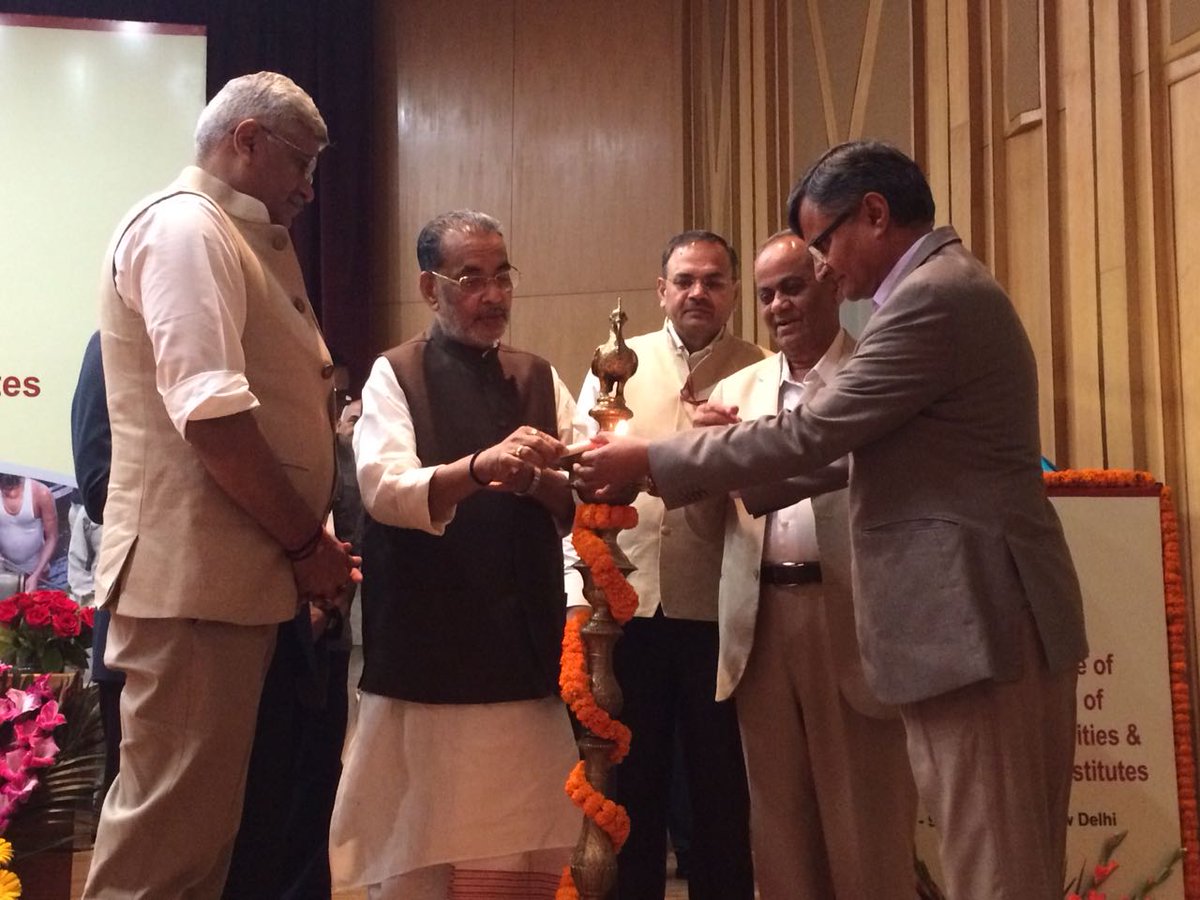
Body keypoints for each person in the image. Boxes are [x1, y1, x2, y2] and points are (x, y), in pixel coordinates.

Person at [575, 141, 1087, 900]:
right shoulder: (940, 290)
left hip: (981, 624)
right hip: (972, 625)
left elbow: (812, 433)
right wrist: (709, 472)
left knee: (999, 874)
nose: (823, 267)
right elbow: (852, 459)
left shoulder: (932, 298)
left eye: (823, 244)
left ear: (874, 214)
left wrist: (654, 461)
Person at [82, 71, 358, 899]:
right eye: (300, 164)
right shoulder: (186, 229)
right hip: (189, 589)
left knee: (200, 849)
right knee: (161, 853)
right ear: (246, 140)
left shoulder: (221, 232)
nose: (309, 190)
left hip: (225, 589)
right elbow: (211, 418)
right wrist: (307, 542)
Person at [329, 210, 579, 900]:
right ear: (428, 286)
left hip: (521, 648)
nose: (493, 295)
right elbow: (383, 488)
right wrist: (482, 468)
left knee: (527, 841)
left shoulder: (537, 377)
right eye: (471, 278)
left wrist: (543, 480)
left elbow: (592, 492)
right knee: (423, 847)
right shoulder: (394, 373)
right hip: (427, 649)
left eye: (503, 277)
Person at [691, 231, 916, 898]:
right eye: (765, 295)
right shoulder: (735, 391)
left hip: (852, 617)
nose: (779, 305)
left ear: (831, 284)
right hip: (758, 627)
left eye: (792, 287)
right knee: (779, 835)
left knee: (865, 831)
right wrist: (706, 463)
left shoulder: (875, 372)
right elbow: (709, 531)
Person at [570, 230, 761, 899]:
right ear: (660, 291)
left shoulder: (760, 371)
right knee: (633, 787)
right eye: (684, 281)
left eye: (713, 281)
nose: (697, 293)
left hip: (721, 612)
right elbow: (581, 470)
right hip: (629, 611)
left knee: (721, 796)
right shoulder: (616, 362)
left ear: (735, 292)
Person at [223, 366, 361, 900]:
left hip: (323, 641)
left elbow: (354, 527)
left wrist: (329, 604)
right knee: (249, 820)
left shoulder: (334, 446)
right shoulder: (237, 442)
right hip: (251, 631)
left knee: (311, 806)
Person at [69, 329, 124, 796]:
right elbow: (98, 486)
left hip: (236, 626)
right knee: (127, 787)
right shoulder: (111, 346)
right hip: (136, 612)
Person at [0, 473, 60, 591]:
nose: (10, 494)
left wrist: (36, 575)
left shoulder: (41, 493)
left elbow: (52, 537)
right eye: (5, 490)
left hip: (35, 568)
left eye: (13, 490)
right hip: (4, 567)